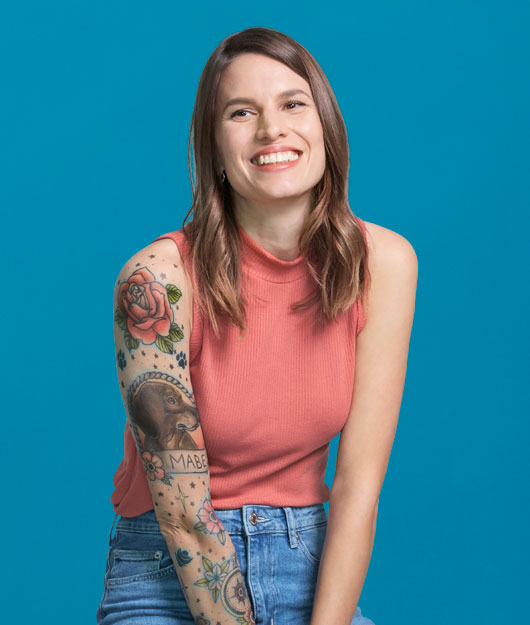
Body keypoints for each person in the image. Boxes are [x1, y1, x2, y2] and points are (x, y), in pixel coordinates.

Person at [96, 26, 417, 625]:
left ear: (326, 124)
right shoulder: (157, 283)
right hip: (168, 572)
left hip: (309, 563)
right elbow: (186, 519)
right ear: (213, 147)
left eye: (293, 104)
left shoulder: (385, 264)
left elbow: (358, 487)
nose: (272, 130)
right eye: (242, 112)